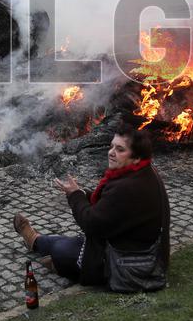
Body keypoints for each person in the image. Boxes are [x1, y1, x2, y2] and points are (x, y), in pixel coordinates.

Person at [12, 123, 170, 289]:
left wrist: (75, 195)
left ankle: (61, 263)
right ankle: (34, 240)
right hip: (136, 249)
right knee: (72, 242)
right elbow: (109, 206)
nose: (111, 153)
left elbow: (90, 223)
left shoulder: (128, 187)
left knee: (61, 249)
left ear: (136, 157)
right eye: (111, 147)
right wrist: (82, 192)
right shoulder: (143, 172)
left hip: (131, 265)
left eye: (120, 149)